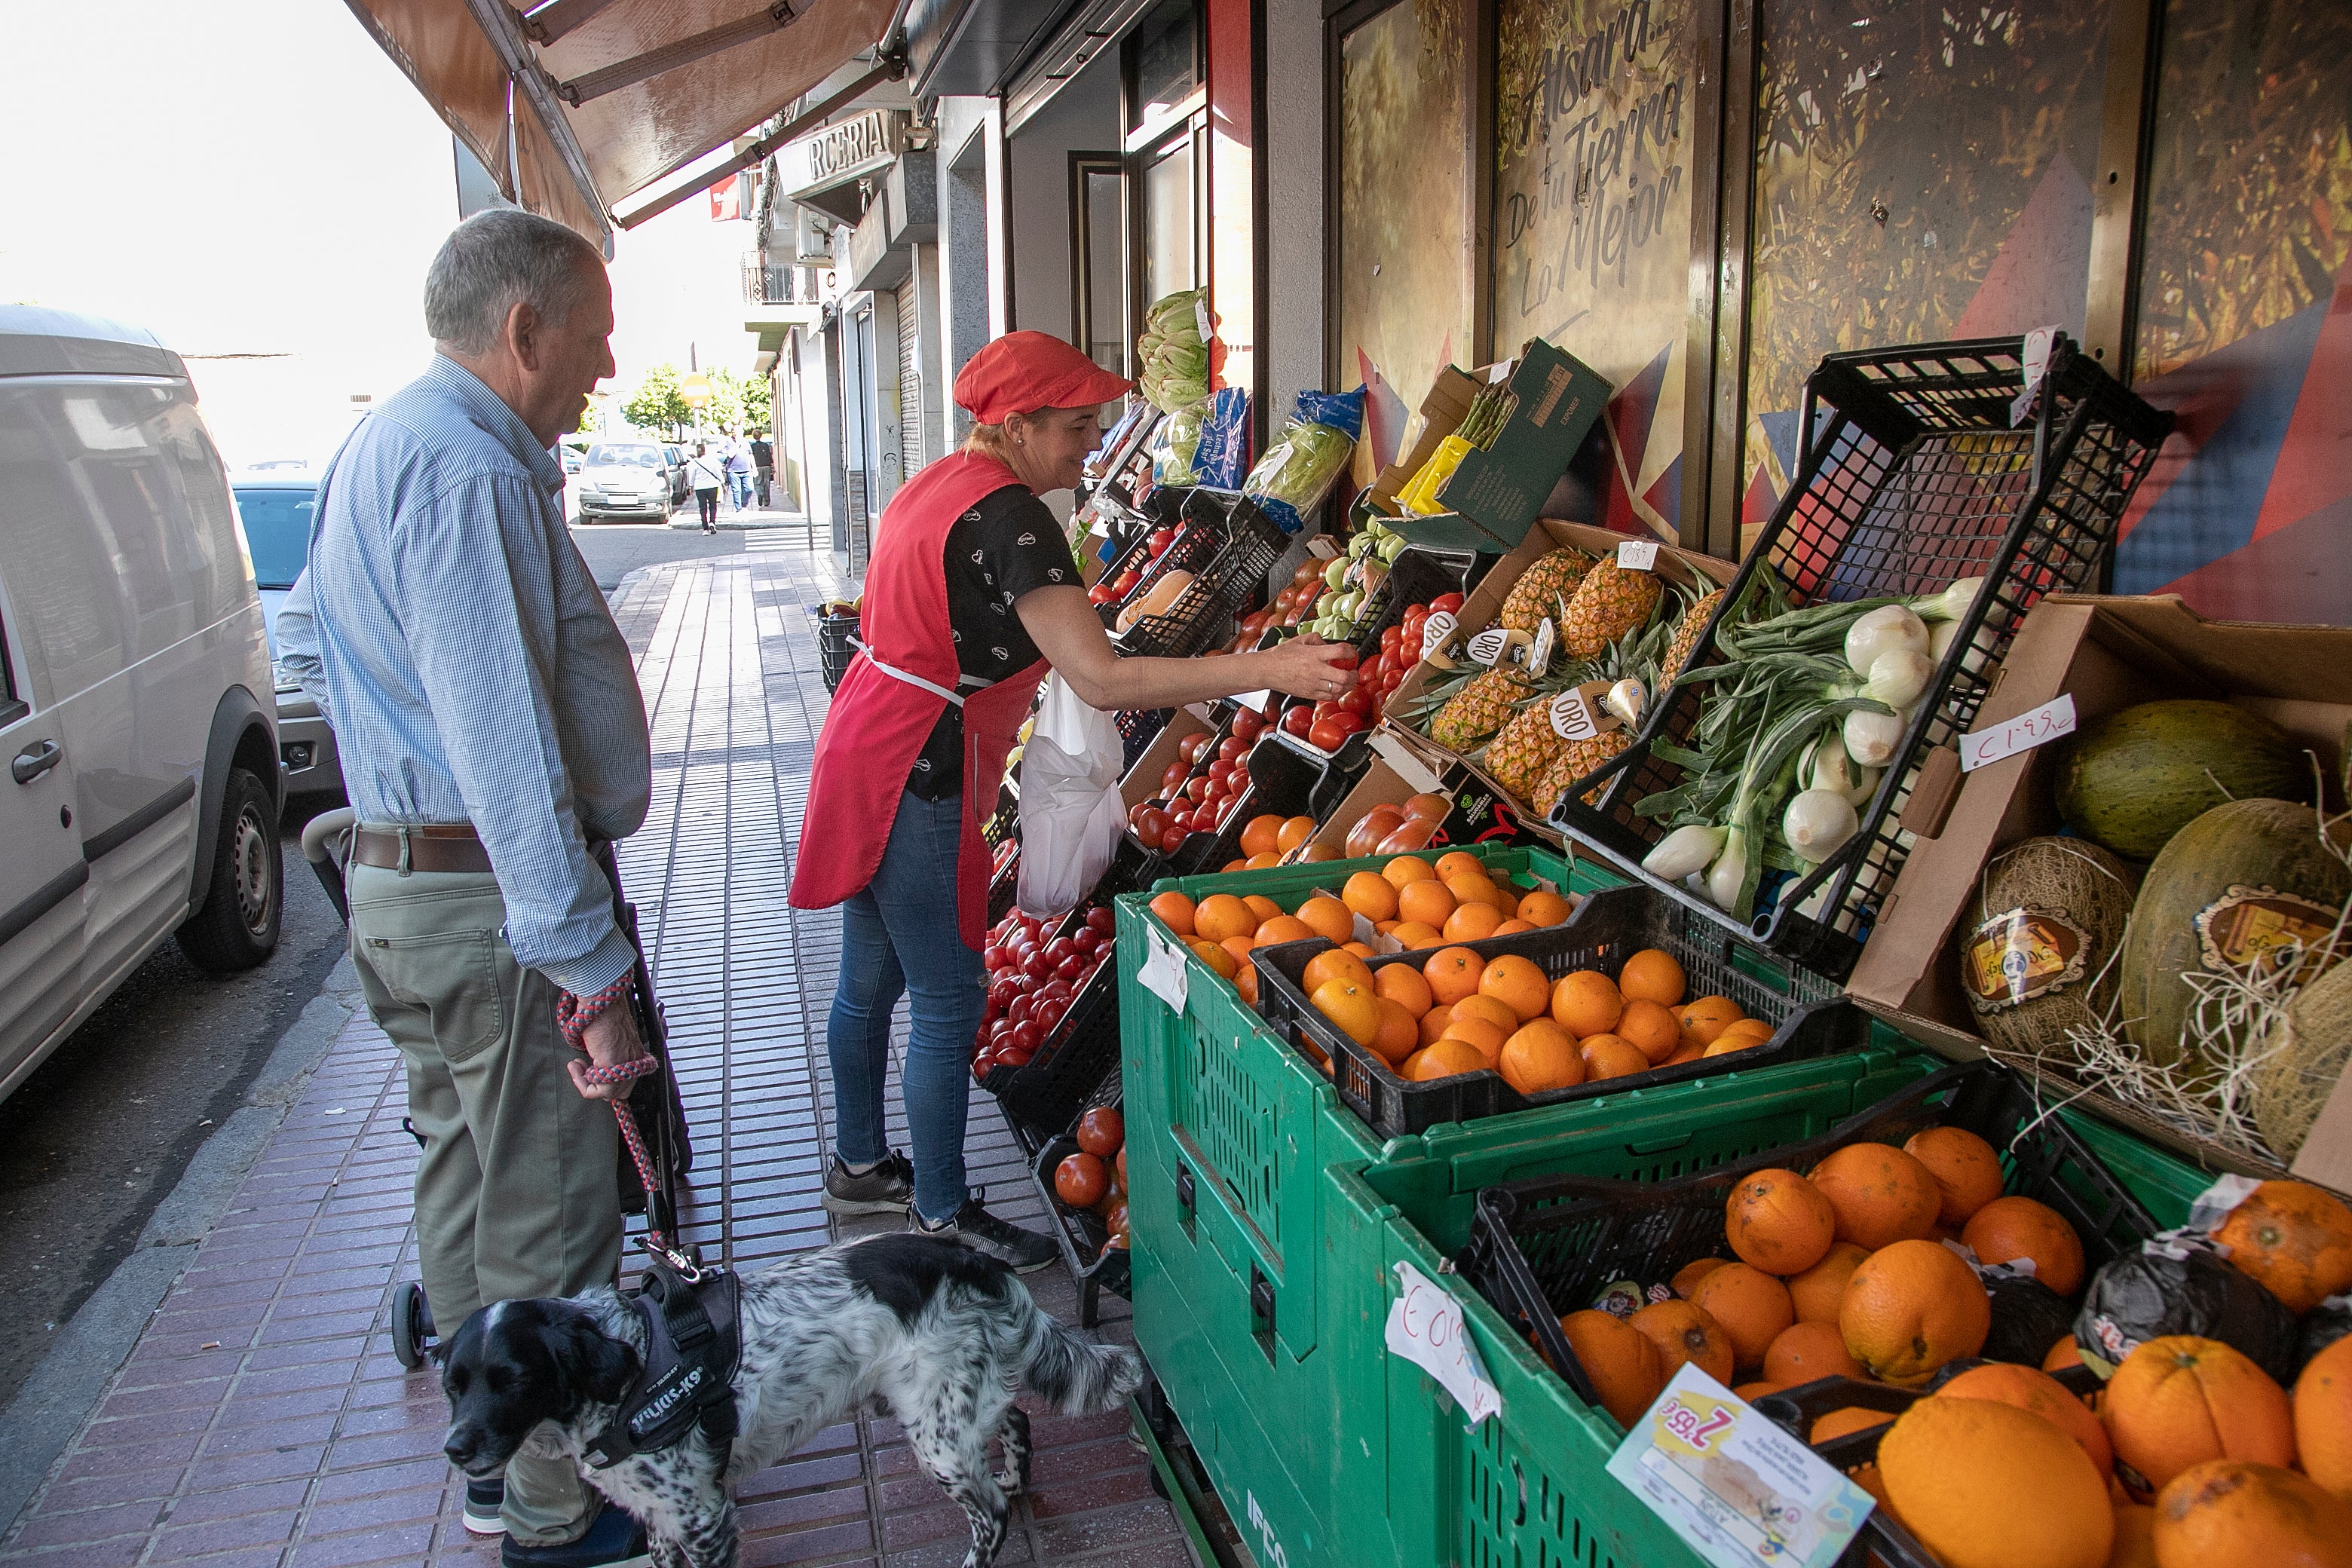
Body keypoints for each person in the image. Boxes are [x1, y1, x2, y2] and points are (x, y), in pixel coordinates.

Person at [789, 331, 1357, 1269]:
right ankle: (939, 1209)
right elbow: (1099, 678)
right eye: (1078, 425)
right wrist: (1276, 665)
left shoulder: (937, 485)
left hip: (869, 741)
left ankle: (857, 1165)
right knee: (947, 997)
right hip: (915, 766)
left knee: (871, 980)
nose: (1092, 444)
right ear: (1016, 426)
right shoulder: (1012, 520)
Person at [275, 209, 655, 1568]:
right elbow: (503, 750)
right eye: (596, 341)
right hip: (485, 903)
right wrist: (590, 969)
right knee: (550, 1211)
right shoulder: (465, 469)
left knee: (460, 1172)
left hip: (405, 886)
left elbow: (337, 665)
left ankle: (493, 1468)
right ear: (525, 332)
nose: (605, 370)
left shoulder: (383, 445)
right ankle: (557, 1518)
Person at [688, 441, 724, 532]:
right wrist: (723, 483)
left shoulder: (694, 462)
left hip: (700, 487)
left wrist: (691, 486)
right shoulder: (712, 460)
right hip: (712, 486)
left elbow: (692, 476)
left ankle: (705, 528)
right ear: (705, 450)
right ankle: (712, 522)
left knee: (702, 508)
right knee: (713, 506)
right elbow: (718, 473)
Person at [724, 433, 754, 513]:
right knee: (737, 490)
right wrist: (737, 445)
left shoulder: (745, 441)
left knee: (749, 489)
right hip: (734, 471)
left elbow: (750, 454)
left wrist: (754, 468)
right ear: (733, 433)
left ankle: (744, 504)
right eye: (736, 432)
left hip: (747, 470)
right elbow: (730, 455)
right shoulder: (729, 442)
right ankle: (739, 509)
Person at [750, 433, 773, 508]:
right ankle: (766, 501)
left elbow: (750, 457)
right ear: (761, 436)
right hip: (766, 466)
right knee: (766, 483)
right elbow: (769, 456)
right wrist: (773, 467)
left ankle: (760, 494)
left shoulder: (752, 446)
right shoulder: (765, 445)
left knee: (757, 483)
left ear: (754, 437)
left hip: (757, 466)